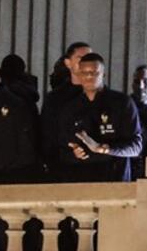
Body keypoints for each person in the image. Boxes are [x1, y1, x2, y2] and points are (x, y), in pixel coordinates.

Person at [52, 53, 142, 182]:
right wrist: (75, 154)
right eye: (84, 73)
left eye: (94, 73)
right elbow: (62, 151)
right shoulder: (70, 108)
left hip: (115, 179)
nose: (89, 76)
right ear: (78, 75)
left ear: (103, 74)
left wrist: (104, 149)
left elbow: (135, 147)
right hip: (80, 181)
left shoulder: (122, 103)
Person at [39, 42, 94, 166]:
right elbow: (48, 136)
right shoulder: (54, 99)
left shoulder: (105, 96)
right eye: (81, 58)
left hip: (99, 167)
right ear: (68, 63)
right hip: (64, 166)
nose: (87, 63)